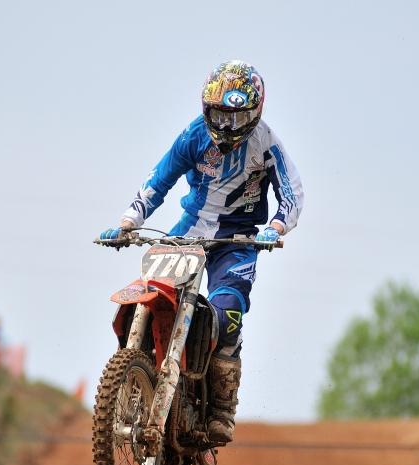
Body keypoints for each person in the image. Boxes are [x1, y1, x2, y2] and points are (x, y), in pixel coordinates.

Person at [98, 60, 304, 444]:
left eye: (236, 117)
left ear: (254, 113)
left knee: (228, 310)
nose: (226, 125)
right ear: (206, 108)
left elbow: (292, 193)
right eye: (219, 115)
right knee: (152, 288)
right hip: (188, 230)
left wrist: (275, 228)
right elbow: (158, 180)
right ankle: (137, 372)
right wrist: (128, 221)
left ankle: (223, 407)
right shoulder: (193, 135)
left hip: (237, 240)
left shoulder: (267, 143)